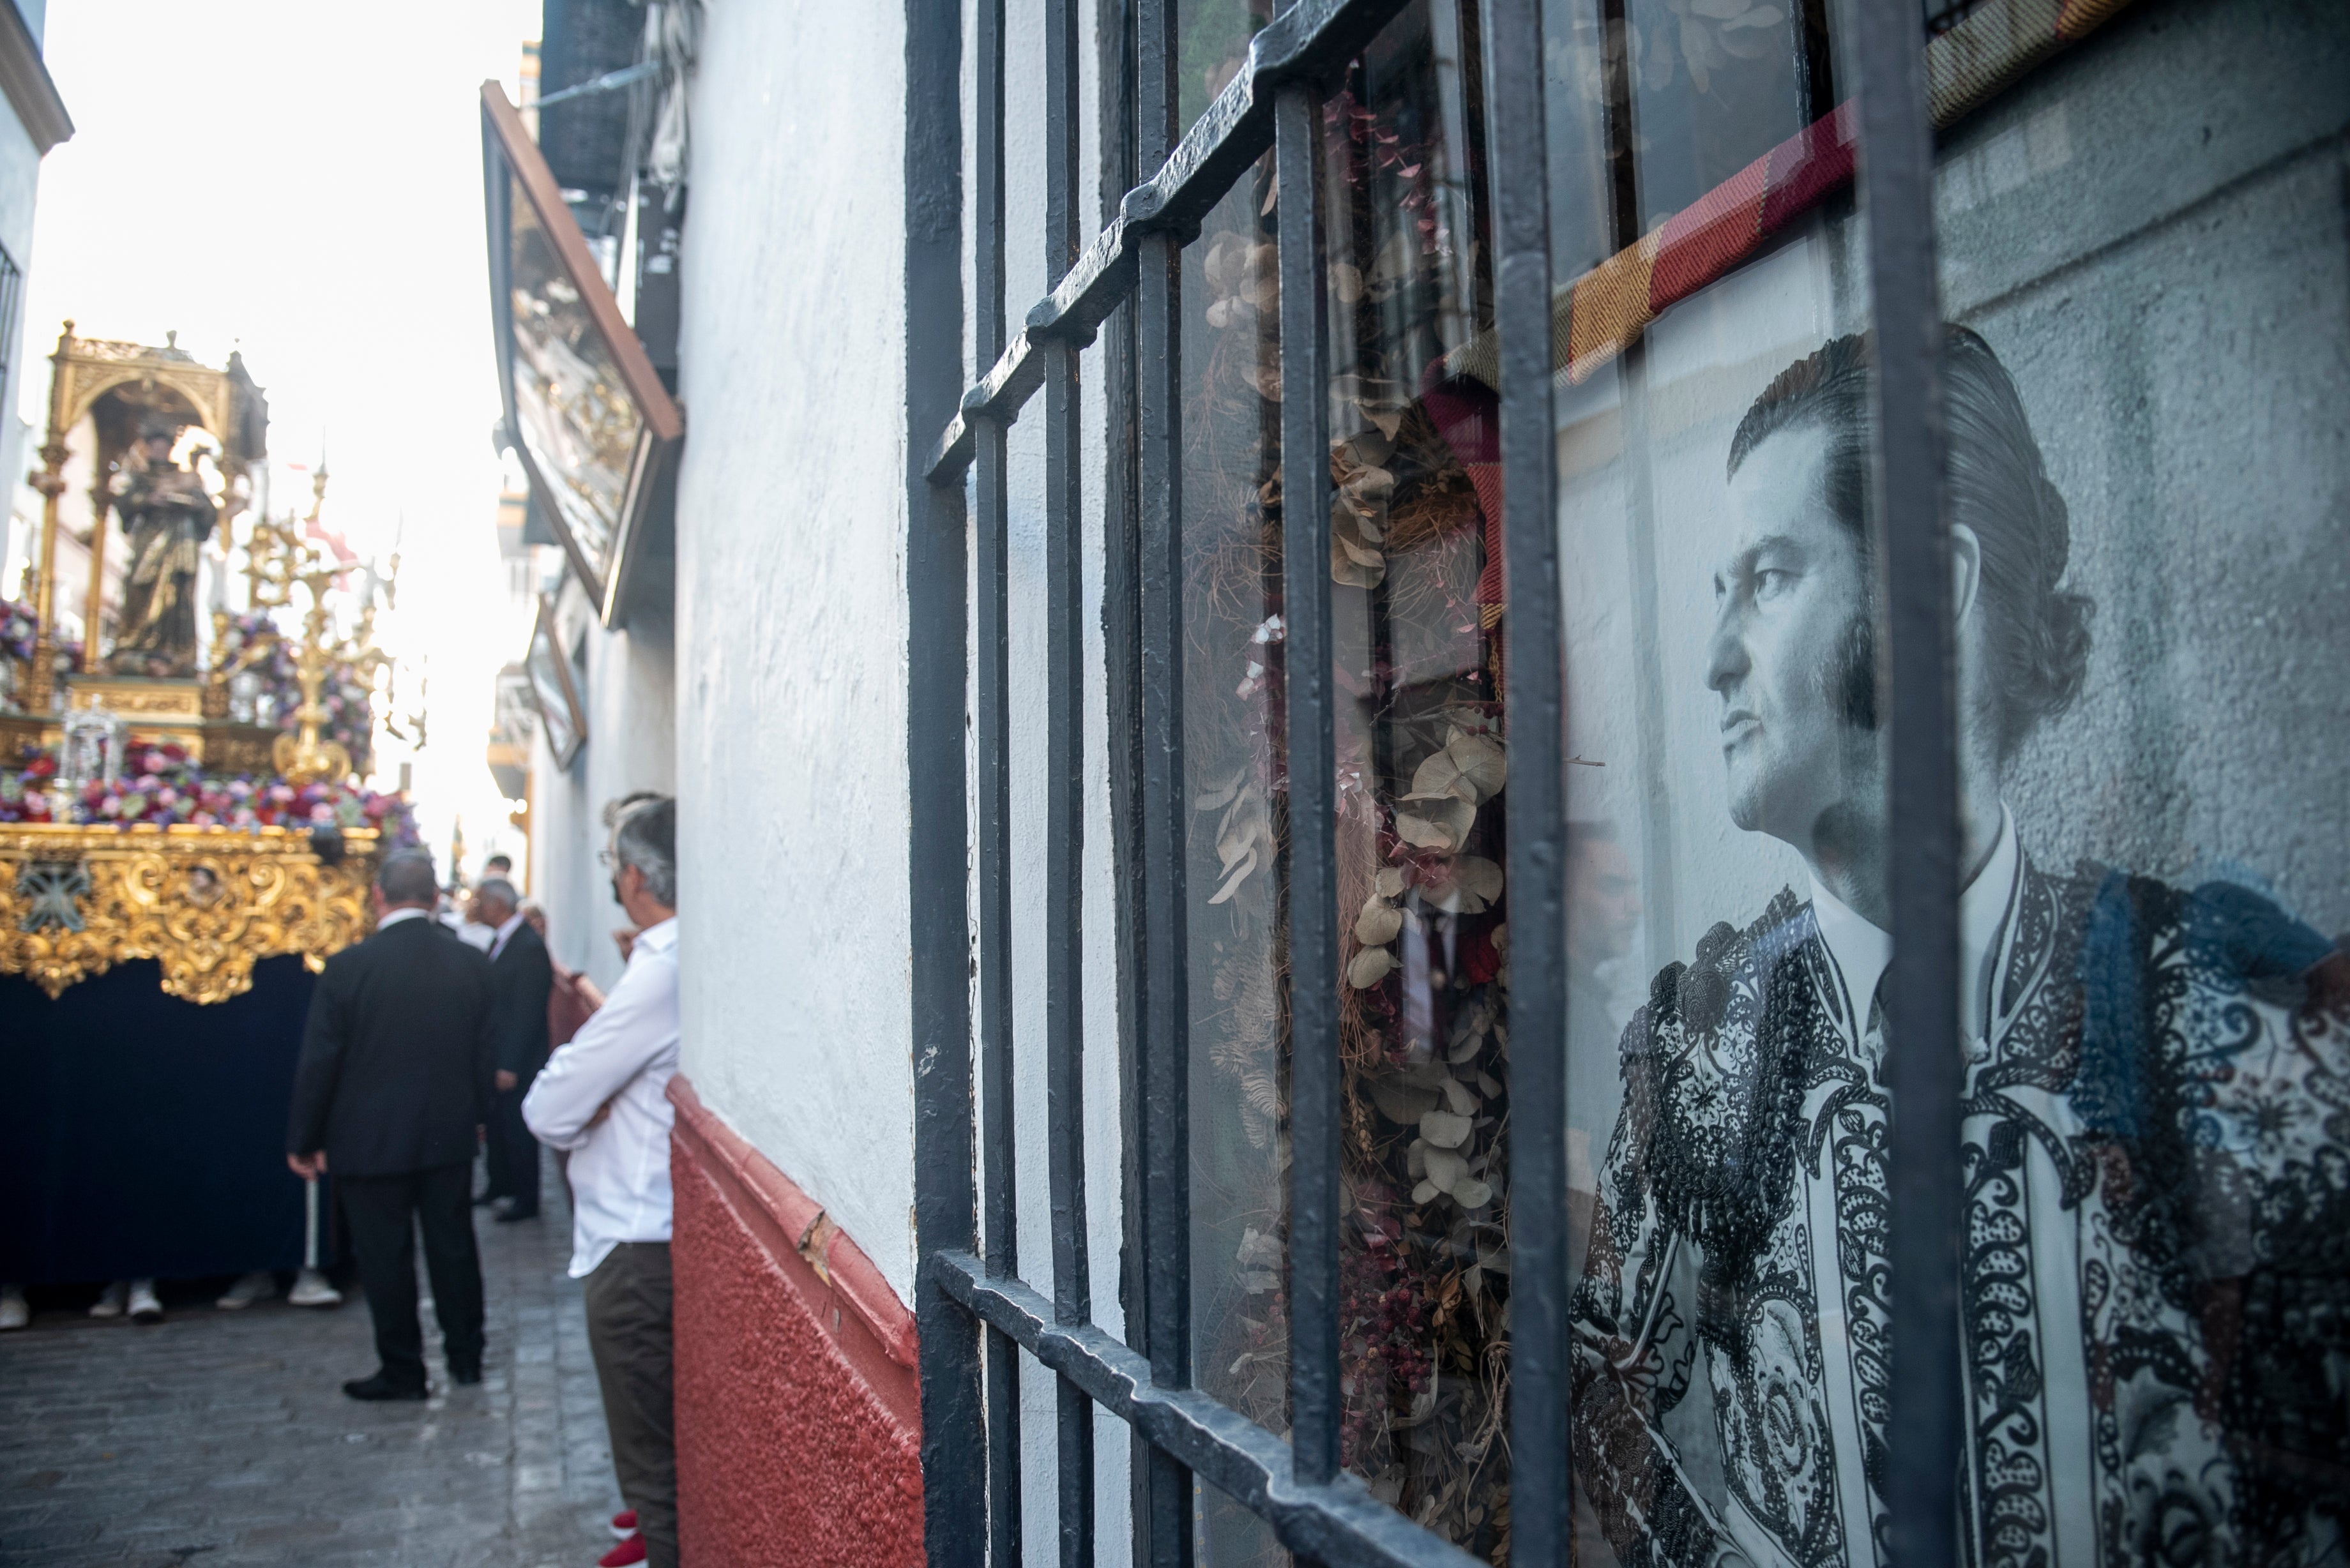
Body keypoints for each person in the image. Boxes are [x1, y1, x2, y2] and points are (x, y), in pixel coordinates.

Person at [1570, 328, 2350, 1566]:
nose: (1714, 656)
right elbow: (1594, 1413)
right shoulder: (1698, 1043)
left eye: (1768, 577)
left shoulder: (2226, 1028)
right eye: (1721, 589)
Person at [525, 796, 679, 1568]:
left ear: (633, 876)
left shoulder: (663, 968)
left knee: (654, 1469)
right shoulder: (665, 960)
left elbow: (550, 1108)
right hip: (647, 1233)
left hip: (633, 1242)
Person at [285, 849, 496, 1401]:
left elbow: (320, 1062)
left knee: (385, 1257)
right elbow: (484, 1055)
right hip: (446, 1134)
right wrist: (478, 1120)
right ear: (433, 898)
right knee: (454, 1247)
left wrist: (304, 1139)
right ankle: (466, 1357)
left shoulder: (349, 968)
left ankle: (404, 1369)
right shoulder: (470, 964)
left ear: (378, 896)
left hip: (367, 1140)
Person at [470, 876, 554, 1223]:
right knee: (500, 1125)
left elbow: (527, 1011)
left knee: (519, 1130)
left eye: (479, 901)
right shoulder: (505, 941)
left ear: (496, 905)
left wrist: (510, 1064)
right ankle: (500, 1185)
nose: (473, 907)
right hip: (501, 1056)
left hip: (518, 1061)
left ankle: (525, 1198)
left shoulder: (528, 946)